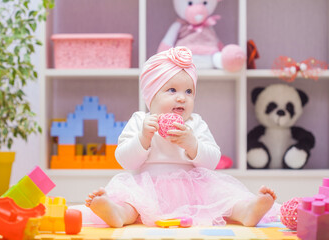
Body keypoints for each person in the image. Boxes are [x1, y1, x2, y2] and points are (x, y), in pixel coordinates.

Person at [79, 46, 278, 228]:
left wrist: (192, 144)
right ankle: (117, 214)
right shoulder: (141, 121)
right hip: (149, 187)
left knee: (223, 198)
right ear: (151, 95)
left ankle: (247, 211)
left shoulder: (195, 123)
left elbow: (212, 161)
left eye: (189, 91)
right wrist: (143, 138)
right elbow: (125, 161)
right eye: (172, 90)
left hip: (194, 188)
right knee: (132, 202)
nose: (182, 97)